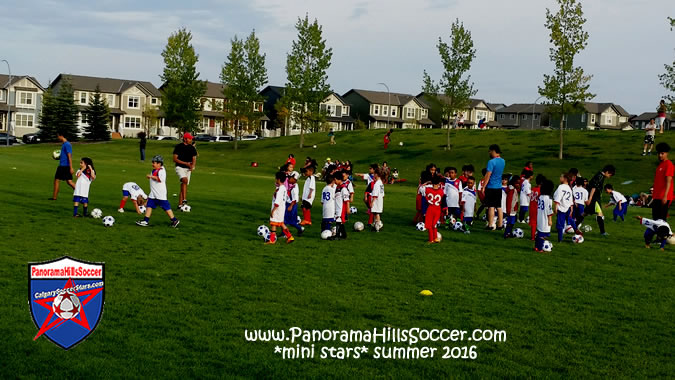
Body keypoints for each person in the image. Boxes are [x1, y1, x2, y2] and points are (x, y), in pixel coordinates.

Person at [136, 155, 180, 228]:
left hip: (160, 194)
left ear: (159, 164)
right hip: (153, 193)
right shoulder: (154, 170)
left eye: (154, 163)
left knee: (166, 208)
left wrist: (151, 176)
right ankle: (145, 221)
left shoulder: (162, 170)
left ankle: (174, 220)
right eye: (153, 162)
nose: (153, 164)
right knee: (149, 206)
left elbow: (160, 179)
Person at [581, 164, 615, 236]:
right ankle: (603, 232)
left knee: (585, 213)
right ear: (607, 172)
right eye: (610, 175)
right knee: (600, 214)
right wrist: (590, 199)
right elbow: (593, 187)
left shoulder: (600, 175)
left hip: (595, 198)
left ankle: (573, 225)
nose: (609, 177)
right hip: (594, 198)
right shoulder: (600, 176)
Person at [481, 144, 505, 230]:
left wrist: (484, 186)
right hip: (499, 186)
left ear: (493, 151)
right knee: (498, 206)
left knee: (491, 206)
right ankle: (500, 224)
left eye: (490, 151)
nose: (489, 153)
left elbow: (488, 174)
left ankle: (491, 224)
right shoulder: (503, 161)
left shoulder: (491, 162)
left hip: (491, 186)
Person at [266, 171, 294, 244]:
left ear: (278, 179)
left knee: (273, 223)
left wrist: (273, 210)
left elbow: (277, 201)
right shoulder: (284, 188)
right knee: (281, 223)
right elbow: (287, 197)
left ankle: (272, 240)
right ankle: (290, 236)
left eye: (276, 179)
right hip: (282, 208)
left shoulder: (280, 190)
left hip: (277, 209)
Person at [172, 132, 198, 206]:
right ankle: (184, 200)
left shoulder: (192, 148)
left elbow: (194, 158)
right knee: (184, 180)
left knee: (184, 184)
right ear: (185, 139)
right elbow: (175, 159)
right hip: (179, 167)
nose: (191, 140)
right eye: (190, 139)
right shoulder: (179, 147)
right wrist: (186, 163)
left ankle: (180, 205)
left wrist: (192, 166)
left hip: (188, 169)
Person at [554, 173, 579, 242]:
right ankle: (576, 229)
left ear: (565, 179)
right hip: (568, 207)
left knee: (560, 224)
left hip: (561, 207)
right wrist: (571, 208)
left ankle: (560, 239)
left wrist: (555, 206)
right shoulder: (569, 187)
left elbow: (558, 197)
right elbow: (571, 199)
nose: (560, 178)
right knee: (570, 219)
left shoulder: (561, 187)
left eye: (561, 177)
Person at [652, 142, 674, 221]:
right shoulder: (660, 165)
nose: (660, 155)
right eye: (658, 153)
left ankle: (666, 233)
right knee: (655, 219)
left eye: (662, 153)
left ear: (667, 153)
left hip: (663, 197)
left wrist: (665, 196)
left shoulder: (669, 165)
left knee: (661, 220)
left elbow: (669, 181)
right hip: (657, 196)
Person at [50, 133, 75, 200]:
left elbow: (69, 156)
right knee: (68, 182)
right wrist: (57, 157)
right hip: (63, 166)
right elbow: (64, 155)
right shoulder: (64, 144)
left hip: (64, 166)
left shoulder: (67, 144)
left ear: (61, 136)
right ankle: (54, 198)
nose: (57, 137)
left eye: (58, 136)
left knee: (59, 181)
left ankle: (54, 198)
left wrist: (71, 167)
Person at [534, 179, 554, 252]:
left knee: (539, 232)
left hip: (540, 216)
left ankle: (536, 246)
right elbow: (549, 210)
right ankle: (539, 248)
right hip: (545, 218)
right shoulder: (548, 199)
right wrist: (550, 220)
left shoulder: (540, 197)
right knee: (542, 235)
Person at [424, 175, 444, 243]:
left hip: (430, 208)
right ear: (439, 183)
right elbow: (443, 201)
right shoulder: (441, 191)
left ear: (431, 183)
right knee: (434, 224)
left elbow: (421, 188)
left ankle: (431, 239)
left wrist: (427, 183)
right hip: (438, 209)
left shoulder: (427, 190)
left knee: (429, 225)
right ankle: (436, 238)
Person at [284, 171, 303, 236]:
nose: (295, 181)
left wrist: (291, 206)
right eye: (294, 179)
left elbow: (295, 198)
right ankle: (300, 229)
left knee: (286, 220)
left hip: (292, 204)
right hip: (288, 203)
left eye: (296, 180)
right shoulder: (286, 183)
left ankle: (284, 234)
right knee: (290, 221)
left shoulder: (294, 186)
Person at [529, 174, 544, 240]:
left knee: (533, 223)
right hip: (537, 208)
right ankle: (539, 236)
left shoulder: (533, 189)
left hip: (532, 207)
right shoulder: (540, 190)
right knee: (539, 223)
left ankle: (533, 236)